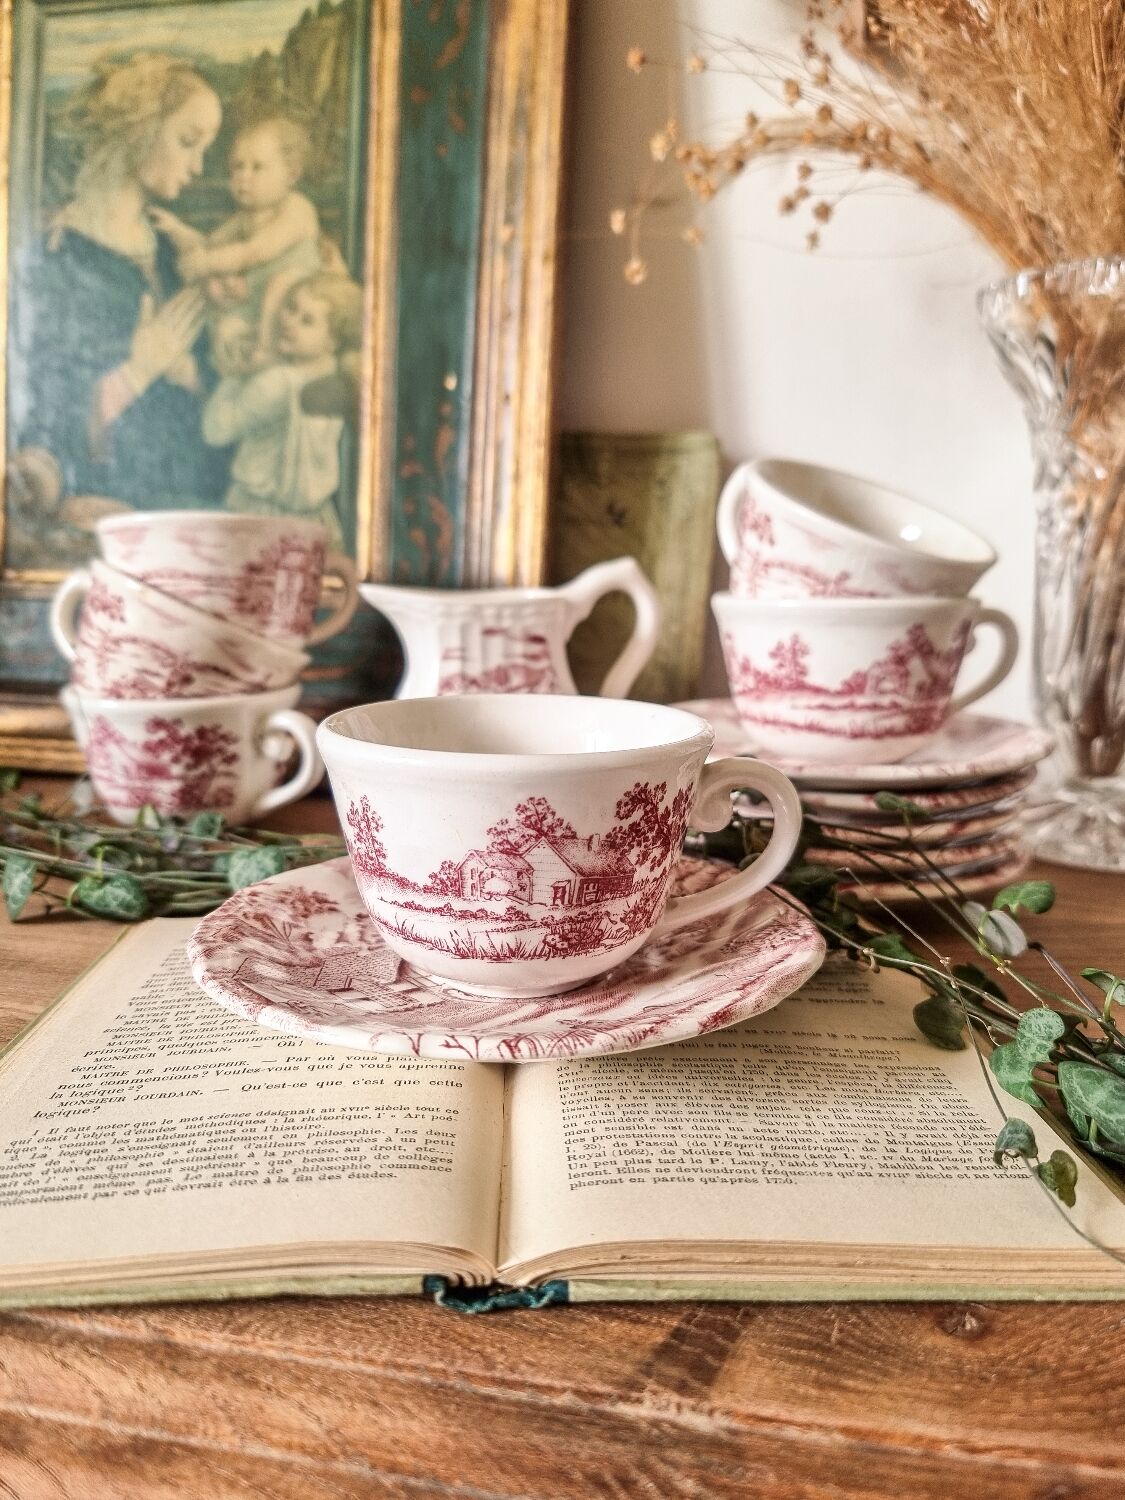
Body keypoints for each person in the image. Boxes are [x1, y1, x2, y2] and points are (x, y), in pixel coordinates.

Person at [10, 53, 230, 515]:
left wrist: (190, 373)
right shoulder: (56, 259)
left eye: (205, 148)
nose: (198, 167)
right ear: (140, 130)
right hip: (112, 506)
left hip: (196, 495)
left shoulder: (172, 248)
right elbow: (43, 423)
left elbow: (223, 377)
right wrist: (137, 370)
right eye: (188, 142)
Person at [201, 272, 362, 549]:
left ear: (332, 341)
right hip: (316, 521)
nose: (290, 322)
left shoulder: (277, 383)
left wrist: (236, 374)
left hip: (259, 518)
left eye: (307, 321)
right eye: (291, 307)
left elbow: (214, 431)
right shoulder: (334, 374)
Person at [151, 116, 321, 360]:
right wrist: (176, 229)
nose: (243, 176)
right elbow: (210, 245)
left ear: (291, 174)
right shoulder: (244, 217)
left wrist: (205, 263)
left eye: (257, 167)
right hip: (256, 302)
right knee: (213, 296)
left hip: (298, 302)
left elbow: (254, 252)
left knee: (278, 283)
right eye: (237, 167)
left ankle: (264, 350)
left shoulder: (297, 208)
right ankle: (211, 360)